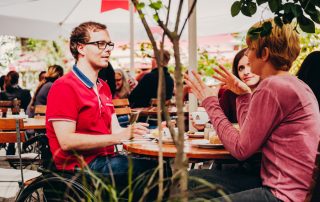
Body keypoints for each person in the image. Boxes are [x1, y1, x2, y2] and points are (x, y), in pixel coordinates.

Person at [186, 19, 320, 202]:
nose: (247, 54)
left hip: (281, 195)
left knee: (187, 185)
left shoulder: (272, 86)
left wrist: (210, 102)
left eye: (250, 48)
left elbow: (240, 149)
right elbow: (248, 137)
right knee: (190, 181)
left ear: (264, 53)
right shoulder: (294, 84)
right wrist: (244, 96)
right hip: (287, 187)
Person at [46, 21, 169, 199]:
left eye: (109, 44)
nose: (108, 49)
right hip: (80, 167)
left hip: (106, 160)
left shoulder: (103, 86)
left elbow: (116, 130)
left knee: (160, 163)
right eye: (100, 44)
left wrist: (150, 132)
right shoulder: (64, 86)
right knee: (156, 169)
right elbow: (66, 141)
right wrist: (118, 137)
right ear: (81, 48)